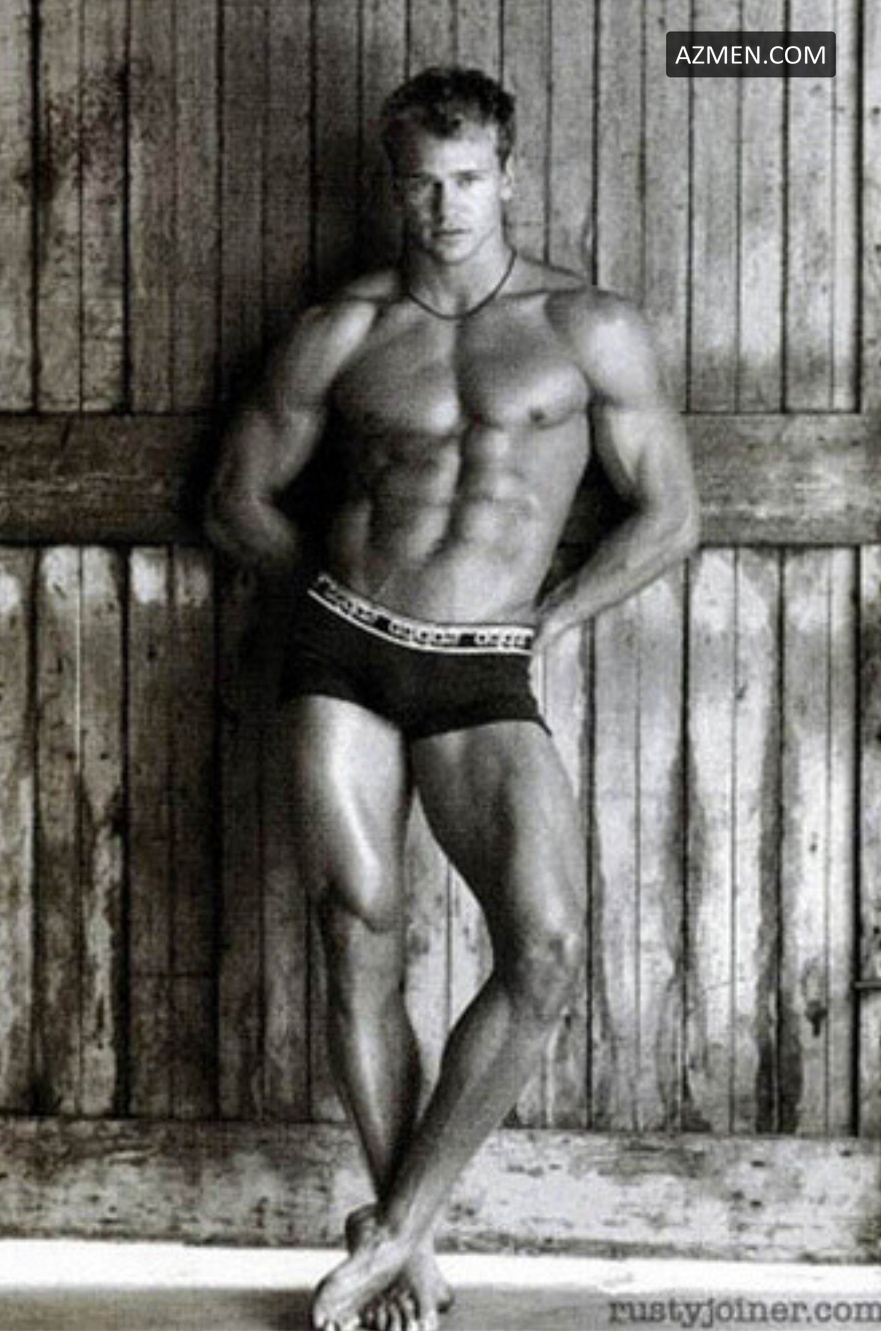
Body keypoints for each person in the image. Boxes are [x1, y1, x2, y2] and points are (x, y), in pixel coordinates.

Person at [205, 65, 700, 1331]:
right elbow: (234, 497)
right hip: (344, 654)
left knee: (545, 948)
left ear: (508, 176)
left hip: (483, 657)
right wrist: (323, 596)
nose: (445, 206)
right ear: (393, 186)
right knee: (356, 931)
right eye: (422, 183)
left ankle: (391, 1233)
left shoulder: (588, 327)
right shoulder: (341, 330)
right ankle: (408, 1255)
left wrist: (554, 617)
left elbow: (669, 514)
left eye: (468, 178)